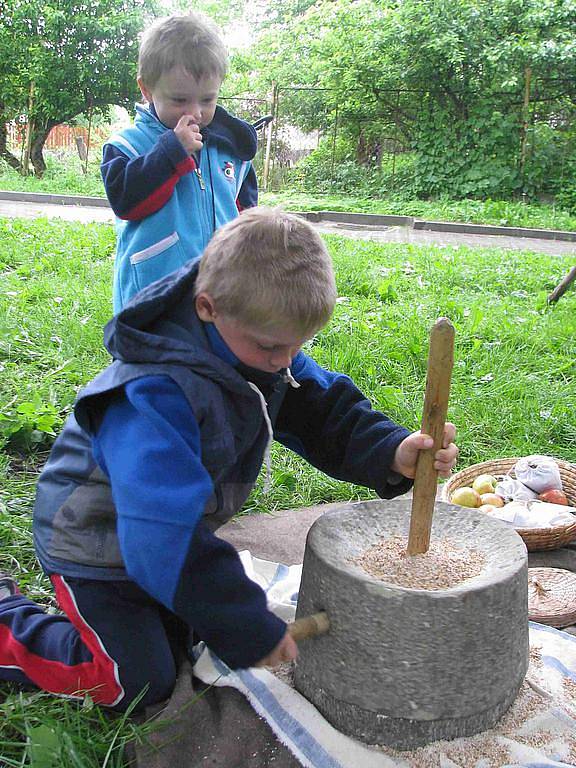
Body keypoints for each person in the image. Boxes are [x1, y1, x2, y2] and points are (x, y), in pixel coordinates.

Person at [0, 209, 458, 712]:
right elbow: (159, 537)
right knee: (135, 681)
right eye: (272, 347)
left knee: (187, 632)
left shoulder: (257, 343)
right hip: (94, 544)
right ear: (207, 307)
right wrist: (245, 624)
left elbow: (322, 411)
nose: (285, 361)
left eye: (297, 346)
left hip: (164, 532)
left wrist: (391, 451)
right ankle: (8, 623)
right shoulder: (152, 395)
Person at [101, 13, 258, 312]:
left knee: (217, 354)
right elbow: (127, 202)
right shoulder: (126, 146)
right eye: (179, 100)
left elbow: (245, 211)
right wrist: (172, 152)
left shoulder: (230, 149)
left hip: (219, 290)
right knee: (156, 359)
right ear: (147, 90)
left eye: (207, 100)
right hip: (153, 295)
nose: (195, 112)